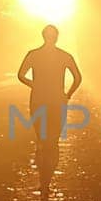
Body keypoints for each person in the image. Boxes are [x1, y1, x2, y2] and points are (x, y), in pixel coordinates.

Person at [17, 25, 82, 186]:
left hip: (38, 99)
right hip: (57, 101)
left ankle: (42, 171)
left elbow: (20, 75)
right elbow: (78, 78)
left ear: (43, 36)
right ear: (57, 37)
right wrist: (68, 94)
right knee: (53, 140)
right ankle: (49, 173)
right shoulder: (65, 56)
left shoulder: (33, 55)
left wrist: (34, 84)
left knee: (41, 138)